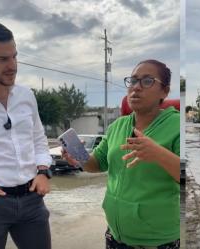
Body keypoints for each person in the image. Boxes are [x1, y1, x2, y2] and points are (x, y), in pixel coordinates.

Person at [64, 59, 180, 249]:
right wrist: (79, 158)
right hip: (115, 236)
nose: (136, 87)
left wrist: (158, 154)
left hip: (157, 242)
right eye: (133, 80)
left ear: (164, 91)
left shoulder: (176, 126)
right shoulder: (117, 126)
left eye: (147, 81)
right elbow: (98, 163)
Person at [0, 21, 52, 249]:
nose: (12, 66)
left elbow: (39, 139)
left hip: (31, 201)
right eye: (3, 59)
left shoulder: (26, 96)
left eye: (14, 57)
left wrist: (44, 172)